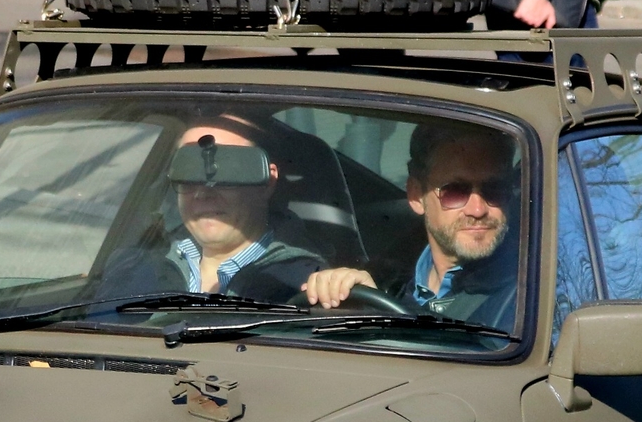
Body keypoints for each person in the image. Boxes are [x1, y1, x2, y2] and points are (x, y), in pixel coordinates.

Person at [300, 122, 518, 328]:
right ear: (416, 195)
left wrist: (380, 317)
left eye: (494, 189)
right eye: (455, 191)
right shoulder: (389, 276)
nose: (478, 209)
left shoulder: (528, 294)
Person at [100, 120, 324, 301]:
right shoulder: (133, 267)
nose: (202, 194)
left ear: (266, 181)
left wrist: (344, 290)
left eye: (226, 177)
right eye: (188, 175)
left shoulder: (307, 284)